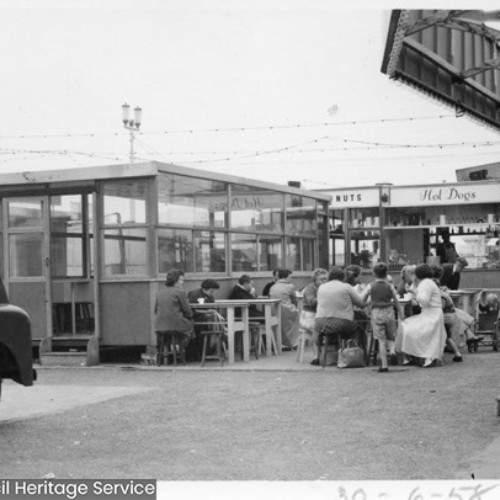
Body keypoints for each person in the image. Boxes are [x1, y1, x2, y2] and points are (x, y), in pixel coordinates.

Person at [310, 266, 365, 366]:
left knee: (316, 330)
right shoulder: (346, 287)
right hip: (342, 323)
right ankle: (352, 356)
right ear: (343, 277)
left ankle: (316, 356)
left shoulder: (321, 287)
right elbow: (360, 303)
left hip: (321, 323)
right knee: (357, 329)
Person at [395, 264, 447, 367]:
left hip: (430, 316)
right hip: (433, 315)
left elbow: (424, 300)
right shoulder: (428, 282)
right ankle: (413, 355)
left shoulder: (425, 284)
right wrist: (414, 288)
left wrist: (414, 292)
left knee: (405, 326)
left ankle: (409, 356)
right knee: (408, 326)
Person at [360, 262, 404, 372]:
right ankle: (393, 351)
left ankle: (384, 365)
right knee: (391, 335)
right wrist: (401, 314)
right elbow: (396, 301)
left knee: (381, 340)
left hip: (376, 312)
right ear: (386, 274)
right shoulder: (390, 286)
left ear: (373, 274)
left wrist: (367, 302)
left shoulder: (370, 286)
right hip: (389, 311)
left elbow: (362, 300)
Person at [154, 269, 194, 355]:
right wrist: (190, 316)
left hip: (159, 326)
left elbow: (155, 310)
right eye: (181, 280)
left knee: (173, 330)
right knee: (191, 326)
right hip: (176, 325)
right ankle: (182, 350)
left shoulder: (159, 293)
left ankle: (170, 350)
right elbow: (187, 311)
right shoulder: (180, 292)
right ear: (176, 281)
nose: (182, 282)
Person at [429, 265, 463, 362]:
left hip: (446, 317)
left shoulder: (440, 296)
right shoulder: (442, 293)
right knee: (447, 336)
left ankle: (436, 354)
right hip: (448, 316)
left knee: (441, 334)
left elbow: (440, 309)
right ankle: (457, 354)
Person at [187, 279, 222, 359]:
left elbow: (213, 308)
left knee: (218, 321)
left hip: (207, 318)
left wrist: (212, 312)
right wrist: (206, 312)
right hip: (196, 318)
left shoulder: (211, 297)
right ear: (205, 289)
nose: (212, 293)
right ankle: (205, 352)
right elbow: (191, 310)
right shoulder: (194, 294)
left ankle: (213, 349)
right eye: (211, 291)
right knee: (207, 325)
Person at [299, 268, 329, 362]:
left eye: (326, 279)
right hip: (308, 315)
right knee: (316, 330)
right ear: (315, 280)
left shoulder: (327, 287)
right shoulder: (310, 288)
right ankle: (316, 356)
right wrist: (323, 295)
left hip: (321, 315)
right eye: (322, 279)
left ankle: (330, 355)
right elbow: (311, 302)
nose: (325, 281)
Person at [269, 268, 299, 350]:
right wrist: (296, 307)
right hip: (287, 310)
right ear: (286, 277)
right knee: (297, 316)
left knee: (279, 327)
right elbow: (294, 299)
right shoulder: (290, 286)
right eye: (290, 277)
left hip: (273, 311)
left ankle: (280, 344)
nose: (291, 279)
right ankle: (293, 343)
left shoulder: (273, 287)